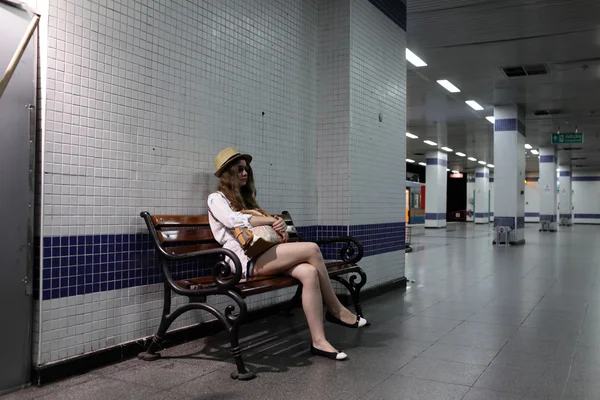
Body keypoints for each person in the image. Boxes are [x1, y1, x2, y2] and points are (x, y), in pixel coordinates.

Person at [207, 147, 368, 361]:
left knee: (309, 273)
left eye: (246, 169)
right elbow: (232, 221)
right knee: (312, 248)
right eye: (239, 169)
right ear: (228, 173)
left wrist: (279, 226)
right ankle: (336, 309)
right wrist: (269, 219)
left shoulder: (245, 200)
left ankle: (319, 341)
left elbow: (260, 231)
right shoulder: (215, 199)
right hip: (243, 262)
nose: (245, 173)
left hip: (261, 254)